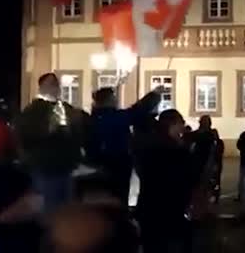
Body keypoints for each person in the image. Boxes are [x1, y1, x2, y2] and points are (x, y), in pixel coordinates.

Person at [15, 73, 87, 214]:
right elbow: (25, 135)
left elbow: (78, 131)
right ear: (41, 87)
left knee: (65, 210)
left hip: (65, 167)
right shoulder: (33, 110)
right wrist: (48, 131)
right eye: (51, 83)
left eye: (56, 83)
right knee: (48, 209)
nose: (55, 87)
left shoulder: (65, 108)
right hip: (45, 167)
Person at [135, 109, 198, 253]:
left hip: (149, 208)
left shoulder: (149, 146)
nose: (183, 127)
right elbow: (187, 178)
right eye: (181, 122)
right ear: (173, 124)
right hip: (170, 209)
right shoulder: (176, 151)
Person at [88, 87, 161, 206]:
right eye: (114, 97)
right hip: (116, 162)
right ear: (109, 100)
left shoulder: (96, 117)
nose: (116, 100)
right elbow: (135, 112)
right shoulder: (111, 117)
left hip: (102, 163)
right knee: (118, 197)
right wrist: (154, 95)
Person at [211, 129, 225, 203]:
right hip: (210, 164)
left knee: (217, 181)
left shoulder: (220, 142)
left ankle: (216, 196)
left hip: (217, 164)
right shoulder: (209, 142)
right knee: (211, 181)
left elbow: (220, 152)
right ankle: (211, 195)